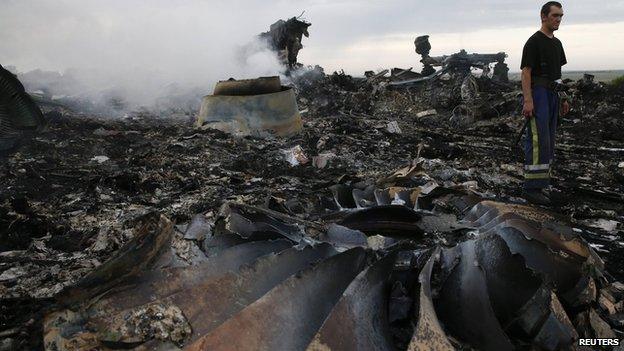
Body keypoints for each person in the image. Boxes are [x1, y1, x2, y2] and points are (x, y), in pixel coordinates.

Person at [520, 1, 570, 205]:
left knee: (548, 140)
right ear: (543, 16)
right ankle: (531, 188)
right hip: (538, 94)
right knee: (537, 139)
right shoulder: (533, 42)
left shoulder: (557, 44)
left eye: (560, 16)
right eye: (555, 15)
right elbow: (526, 72)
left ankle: (542, 184)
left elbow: (557, 74)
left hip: (553, 95)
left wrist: (564, 96)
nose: (558, 19)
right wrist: (528, 100)